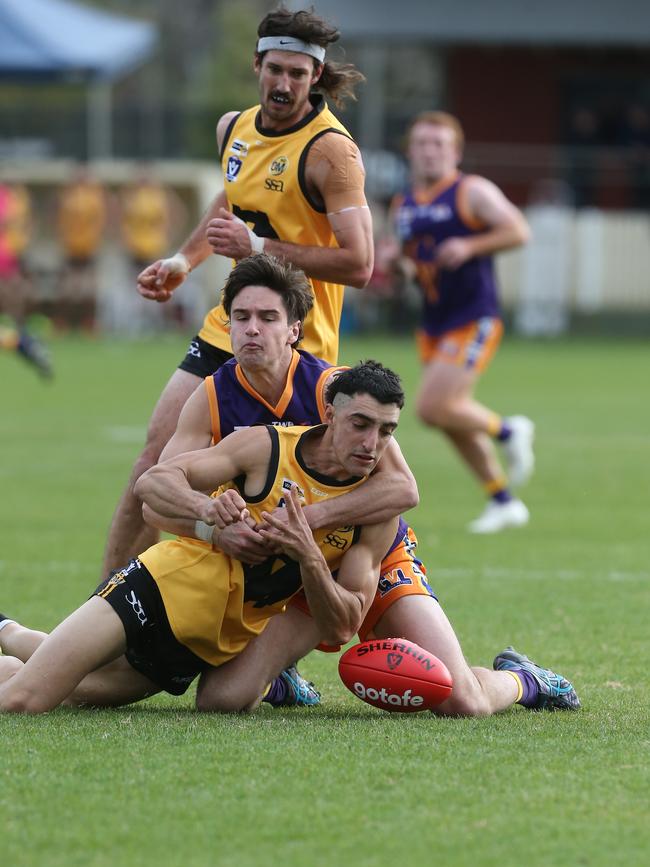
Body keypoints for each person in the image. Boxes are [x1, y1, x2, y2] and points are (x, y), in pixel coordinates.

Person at [2, 255, 578, 718]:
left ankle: (522, 680)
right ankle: (277, 682)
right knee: (219, 700)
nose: (253, 330)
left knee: (461, 701)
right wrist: (214, 523)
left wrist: (308, 526)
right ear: (227, 326)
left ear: (295, 329)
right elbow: (158, 493)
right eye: (242, 318)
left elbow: (402, 489)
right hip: (277, 572)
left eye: (268, 318)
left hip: (359, 550)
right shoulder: (214, 400)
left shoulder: (339, 391)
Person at [102, 6, 372, 577]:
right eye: (276, 69)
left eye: (298, 75)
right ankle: (105, 604)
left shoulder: (331, 153)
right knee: (153, 461)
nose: (284, 84)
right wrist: (184, 258)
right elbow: (230, 204)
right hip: (231, 323)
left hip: (297, 346)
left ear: (315, 77)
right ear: (257, 65)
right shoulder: (234, 128)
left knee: (279, 498)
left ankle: (278, 646)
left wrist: (257, 249)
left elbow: (360, 263)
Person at [0, 361, 405, 715]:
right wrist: (207, 511)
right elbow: (154, 482)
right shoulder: (267, 447)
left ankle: (7, 633)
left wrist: (310, 557)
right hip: (157, 590)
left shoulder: (374, 511)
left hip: (203, 644)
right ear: (331, 414)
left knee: (67, 688)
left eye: (386, 431)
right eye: (360, 424)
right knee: (26, 700)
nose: (372, 444)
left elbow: (341, 626)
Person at [390, 111, 533, 534]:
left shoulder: (471, 191)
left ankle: (508, 430)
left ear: (456, 151)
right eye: (421, 143)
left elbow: (518, 230)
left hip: (473, 316)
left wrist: (470, 245)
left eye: (439, 144)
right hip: (434, 320)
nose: (429, 151)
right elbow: (409, 258)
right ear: (410, 151)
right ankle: (502, 499)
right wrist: (396, 267)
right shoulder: (405, 203)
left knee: (432, 407)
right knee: (446, 416)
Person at [0, 181, 52, 378]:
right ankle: (26, 344)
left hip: (6, 258)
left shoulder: (8, 195)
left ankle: (25, 342)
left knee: (15, 293)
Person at [54, 164, 108, 331]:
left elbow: (103, 219)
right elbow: (56, 215)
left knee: (89, 289)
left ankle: (89, 323)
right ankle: (63, 323)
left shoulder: (96, 195)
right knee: (67, 289)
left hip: (89, 248)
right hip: (71, 248)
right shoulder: (66, 195)